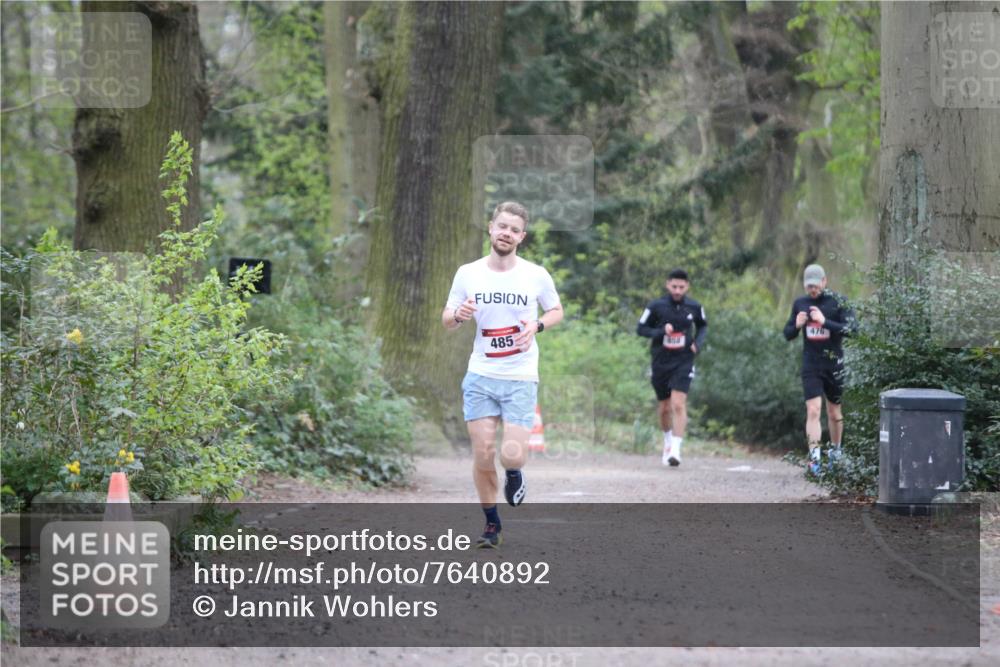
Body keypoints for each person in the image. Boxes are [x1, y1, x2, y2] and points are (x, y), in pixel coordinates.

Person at [442, 201, 563, 548]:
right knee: (482, 454)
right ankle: (491, 523)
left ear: (521, 237)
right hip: (480, 374)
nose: (506, 233)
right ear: (491, 228)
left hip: (520, 376)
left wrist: (537, 324)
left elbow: (556, 310)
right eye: (502, 226)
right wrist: (459, 315)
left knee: (511, 454)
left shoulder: (535, 274)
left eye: (514, 229)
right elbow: (447, 320)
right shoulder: (468, 273)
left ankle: (513, 472)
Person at [783, 264, 854, 474]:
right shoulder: (800, 303)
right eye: (808, 287)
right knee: (813, 410)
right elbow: (787, 334)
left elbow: (852, 330)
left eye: (815, 285)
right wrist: (796, 325)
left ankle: (836, 453)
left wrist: (826, 322)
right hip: (811, 364)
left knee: (834, 412)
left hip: (834, 365)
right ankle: (814, 458)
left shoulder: (838, 302)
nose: (812, 290)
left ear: (824, 281)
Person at [636, 269, 707, 467]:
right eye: (674, 286)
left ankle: (676, 449)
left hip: (684, 360)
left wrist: (698, 343)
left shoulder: (695, 306)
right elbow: (641, 328)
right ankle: (667, 441)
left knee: (678, 403)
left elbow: (703, 326)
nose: (677, 290)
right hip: (660, 361)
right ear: (668, 285)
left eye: (681, 287)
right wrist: (660, 331)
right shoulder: (656, 306)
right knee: (665, 407)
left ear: (687, 286)